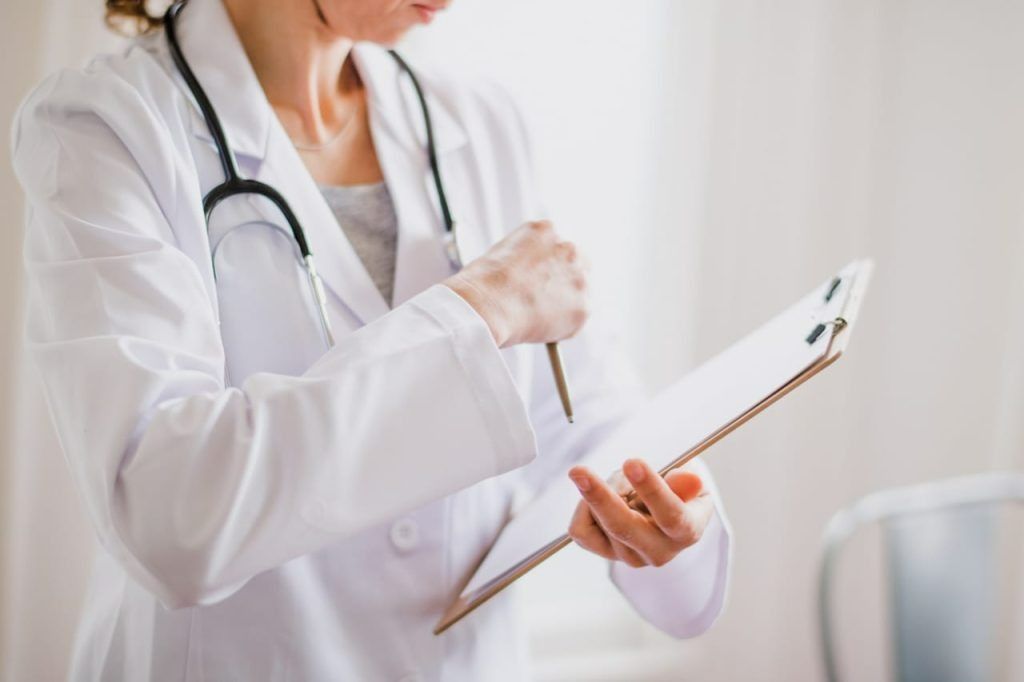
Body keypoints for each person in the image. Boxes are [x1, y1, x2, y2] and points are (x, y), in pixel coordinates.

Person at [11, 0, 732, 679]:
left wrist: (664, 515)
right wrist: (480, 311)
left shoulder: (476, 121)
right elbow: (171, 517)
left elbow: (586, 420)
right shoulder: (105, 127)